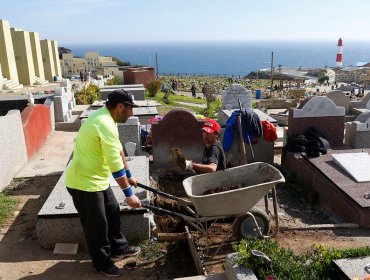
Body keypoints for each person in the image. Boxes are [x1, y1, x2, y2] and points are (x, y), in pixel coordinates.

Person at [65, 89, 142, 277]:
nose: (131, 113)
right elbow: (115, 166)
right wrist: (129, 195)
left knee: (113, 211)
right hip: (84, 183)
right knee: (97, 226)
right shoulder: (104, 122)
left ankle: (118, 248)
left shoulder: (108, 119)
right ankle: (101, 263)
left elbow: (119, 151)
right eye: (130, 109)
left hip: (96, 180)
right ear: (120, 106)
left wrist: (130, 175)